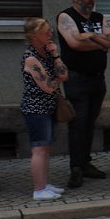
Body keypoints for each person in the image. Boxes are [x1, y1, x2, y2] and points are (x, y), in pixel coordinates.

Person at [57, 0, 110, 189]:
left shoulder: (99, 17)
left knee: (90, 123)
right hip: (77, 79)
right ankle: (75, 168)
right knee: (78, 124)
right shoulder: (66, 16)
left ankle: (86, 163)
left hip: (97, 78)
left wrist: (90, 37)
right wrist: (98, 41)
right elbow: (74, 44)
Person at [21, 18, 69, 201]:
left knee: (46, 148)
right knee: (39, 149)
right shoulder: (31, 58)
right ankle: (38, 189)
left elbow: (64, 75)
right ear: (34, 35)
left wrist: (56, 56)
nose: (51, 34)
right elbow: (48, 86)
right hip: (36, 109)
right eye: (47, 31)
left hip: (48, 107)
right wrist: (55, 80)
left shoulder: (47, 54)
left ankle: (44, 183)